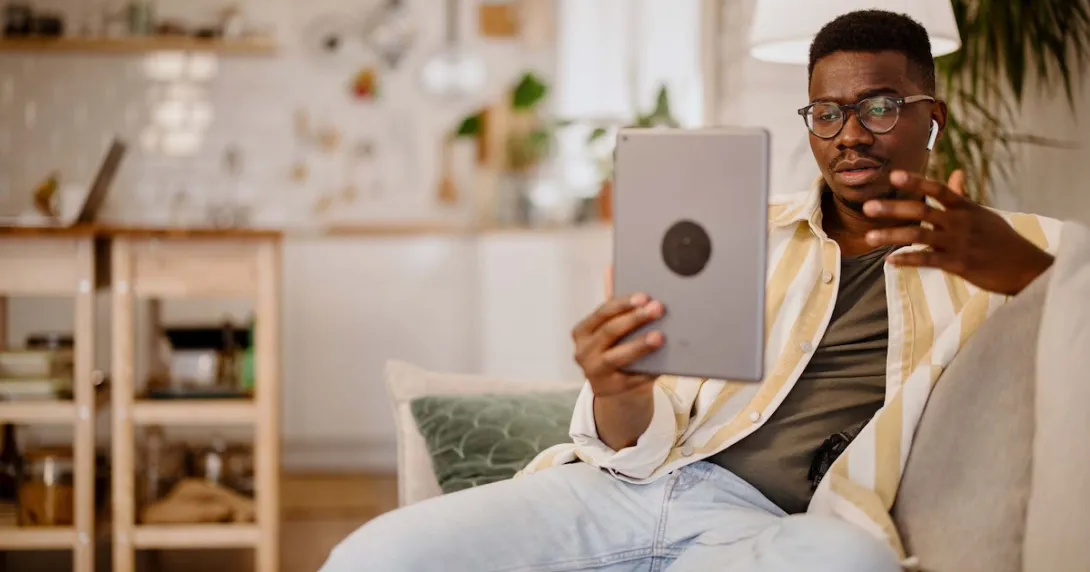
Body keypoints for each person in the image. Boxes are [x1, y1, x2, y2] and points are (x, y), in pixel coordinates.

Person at [321, 9, 1061, 572]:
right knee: (373, 558)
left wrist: (1022, 271)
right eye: (827, 113)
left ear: (932, 118)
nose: (849, 135)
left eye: (879, 107)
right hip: (623, 490)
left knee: (849, 563)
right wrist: (617, 388)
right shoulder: (739, 231)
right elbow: (629, 443)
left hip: (773, 531)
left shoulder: (1014, 246)